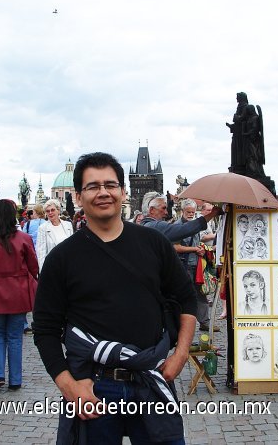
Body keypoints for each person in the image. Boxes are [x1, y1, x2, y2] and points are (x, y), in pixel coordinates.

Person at [33, 152, 196, 444]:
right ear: (79, 197)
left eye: (110, 184)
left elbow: (186, 299)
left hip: (150, 379)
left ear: (123, 191)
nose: (103, 192)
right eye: (93, 186)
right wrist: (67, 384)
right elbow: (45, 329)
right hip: (93, 385)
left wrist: (181, 354)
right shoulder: (62, 258)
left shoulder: (154, 243)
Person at [0, 200, 39, 391]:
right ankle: (16, 379)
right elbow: (34, 267)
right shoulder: (24, 238)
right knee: (15, 337)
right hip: (18, 291)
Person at [173, 199, 218, 333]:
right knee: (184, 295)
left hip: (197, 265)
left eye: (193, 212)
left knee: (200, 293)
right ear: (182, 211)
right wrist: (194, 249)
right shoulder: (177, 226)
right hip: (182, 265)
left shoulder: (195, 225)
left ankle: (205, 322)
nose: (191, 214)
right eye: (188, 212)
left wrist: (203, 250)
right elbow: (175, 247)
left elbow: (199, 241)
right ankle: (180, 325)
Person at [140, 191, 220, 242]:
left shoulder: (145, 226)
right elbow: (183, 229)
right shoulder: (153, 226)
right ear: (151, 210)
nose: (166, 213)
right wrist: (211, 215)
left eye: (193, 212)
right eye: (163, 208)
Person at [35, 199, 73, 271]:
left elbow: (72, 247)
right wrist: (43, 272)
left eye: (52, 210)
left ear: (58, 210)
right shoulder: (43, 228)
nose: (50, 213)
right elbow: (41, 253)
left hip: (68, 266)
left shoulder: (68, 225)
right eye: (47, 211)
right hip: (52, 268)